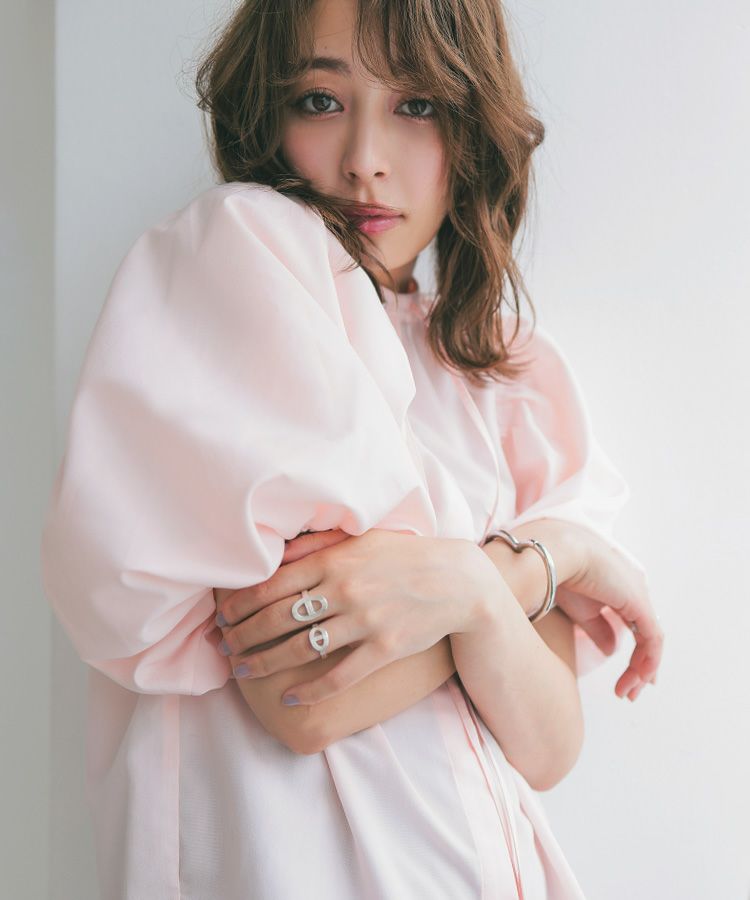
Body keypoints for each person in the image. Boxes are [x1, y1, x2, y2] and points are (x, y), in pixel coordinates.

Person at [40, 0, 664, 897]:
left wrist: (479, 587)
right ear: (268, 115)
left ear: (472, 128)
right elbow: (308, 693)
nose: (365, 158)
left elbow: (548, 742)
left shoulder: (505, 374)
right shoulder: (242, 266)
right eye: (320, 101)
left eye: (417, 106)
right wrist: (529, 570)